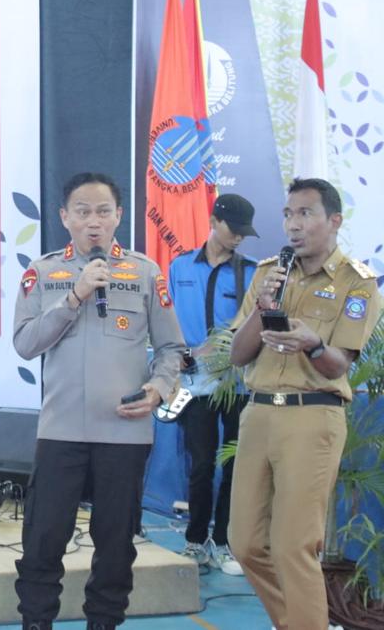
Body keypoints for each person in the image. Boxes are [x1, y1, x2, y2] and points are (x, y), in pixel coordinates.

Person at [12, 172, 185, 630]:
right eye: (83, 212)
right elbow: (26, 344)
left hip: (123, 432)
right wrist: (76, 295)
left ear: (119, 216)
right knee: (43, 539)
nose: (94, 222)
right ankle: (36, 622)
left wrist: (158, 389)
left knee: (115, 545)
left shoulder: (145, 272)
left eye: (104, 211)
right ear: (64, 217)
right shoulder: (42, 271)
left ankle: (104, 622)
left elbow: (172, 348)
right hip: (61, 430)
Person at [227, 178, 381, 630]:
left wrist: (313, 344)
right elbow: (238, 355)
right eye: (288, 214)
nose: (293, 225)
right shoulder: (268, 273)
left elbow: (337, 366)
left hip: (312, 416)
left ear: (334, 221)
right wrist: (263, 307)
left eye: (305, 214)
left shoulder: (356, 283)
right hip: (258, 413)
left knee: (294, 546)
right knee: (245, 543)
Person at [167, 193, 258, 575]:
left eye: (243, 232)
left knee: (235, 464)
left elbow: (255, 325)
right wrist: (176, 356)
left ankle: (224, 543)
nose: (237, 237)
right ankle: (195, 540)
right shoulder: (179, 266)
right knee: (201, 464)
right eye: (232, 229)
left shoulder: (252, 272)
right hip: (193, 383)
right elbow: (168, 319)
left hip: (237, 382)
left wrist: (224, 348)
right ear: (213, 221)